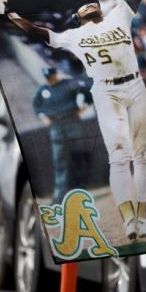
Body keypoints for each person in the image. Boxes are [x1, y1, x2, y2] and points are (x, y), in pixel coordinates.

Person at [7, 0, 146, 242]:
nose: (89, 3)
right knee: (118, 155)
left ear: (100, 8)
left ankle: (142, 217)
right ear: (77, 16)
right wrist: (11, 16)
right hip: (106, 92)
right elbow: (37, 32)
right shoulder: (73, 35)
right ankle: (128, 221)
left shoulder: (118, 15)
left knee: (141, 154)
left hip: (134, 84)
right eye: (83, 5)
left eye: (93, 2)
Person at [32, 66, 92, 203]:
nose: (51, 79)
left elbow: (86, 90)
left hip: (72, 121)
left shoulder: (67, 84)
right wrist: (43, 117)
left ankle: (81, 192)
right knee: (59, 161)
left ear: (56, 74)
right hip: (56, 126)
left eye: (52, 76)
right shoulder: (43, 90)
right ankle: (60, 196)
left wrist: (84, 105)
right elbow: (36, 106)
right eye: (48, 77)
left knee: (78, 158)